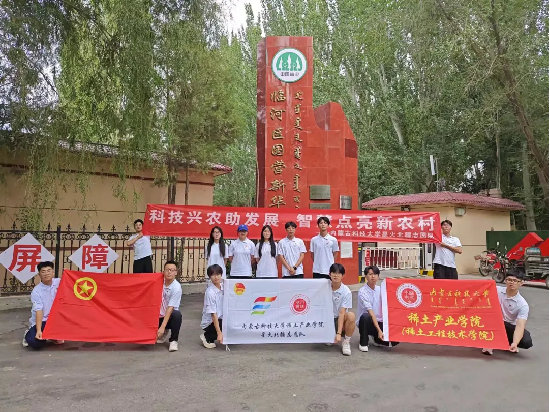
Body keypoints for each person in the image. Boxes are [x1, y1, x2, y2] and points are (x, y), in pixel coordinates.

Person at [482, 270, 533, 356]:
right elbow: (480, 288)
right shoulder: (496, 290)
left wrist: (515, 343)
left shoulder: (522, 304)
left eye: (515, 281)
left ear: (521, 283)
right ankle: (489, 344)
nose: (512, 282)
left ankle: (507, 343)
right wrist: (486, 283)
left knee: (526, 341)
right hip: (492, 322)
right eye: (509, 280)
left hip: (508, 326)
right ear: (505, 281)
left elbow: (520, 325)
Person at [23, 261, 64, 349]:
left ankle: (52, 336)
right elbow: (39, 310)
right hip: (43, 321)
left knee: (70, 333)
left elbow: (73, 285)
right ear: (39, 274)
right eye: (43, 271)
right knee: (35, 343)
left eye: (49, 270)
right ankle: (28, 333)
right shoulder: (37, 291)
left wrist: (67, 274)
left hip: (56, 319)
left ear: (53, 272)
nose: (46, 273)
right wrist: (38, 330)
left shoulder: (59, 282)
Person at [357, 266, 399, 352]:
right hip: (368, 322)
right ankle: (363, 342)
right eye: (370, 274)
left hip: (380, 321)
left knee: (395, 340)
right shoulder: (362, 291)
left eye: (375, 274)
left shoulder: (381, 290)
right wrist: (379, 330)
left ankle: (376, 338)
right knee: (365, 317)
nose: (373, 276)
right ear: (366, 276)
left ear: (378, 276)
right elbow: (371, 312)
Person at [328, 263, 355, 356]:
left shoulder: (346, 292)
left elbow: (342, 313)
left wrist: (339, 333)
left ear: (343, 276)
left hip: (339, 319)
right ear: (329, 274)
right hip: (327, 320)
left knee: (351, 316)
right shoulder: (324, 287)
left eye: (339, 273)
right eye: (334, 273)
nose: (336, 275)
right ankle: (328, 335)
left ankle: (346, 342)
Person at [156, 260, 182, 352]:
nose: (169, 272)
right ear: (163, 271)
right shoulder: (158, 281)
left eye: (172, 270)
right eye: (167, 270)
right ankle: (163, 330)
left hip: (169, 316)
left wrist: (162, 327)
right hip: (156, 316)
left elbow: (170, 308)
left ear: (176, 272)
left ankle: (173, 340)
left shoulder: (176, 287)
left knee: (177, 315)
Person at [200, 264, 224, 348]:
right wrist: (219, 333)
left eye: (218, 274)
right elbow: (213, 315)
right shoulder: (210, 292)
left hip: (221, 317)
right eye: (213, 275)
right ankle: (207, 337)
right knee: (225, 324)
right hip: (210, 322)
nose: (216, 277)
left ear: (221, 274)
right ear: (210, 277)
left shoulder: (225, 287)